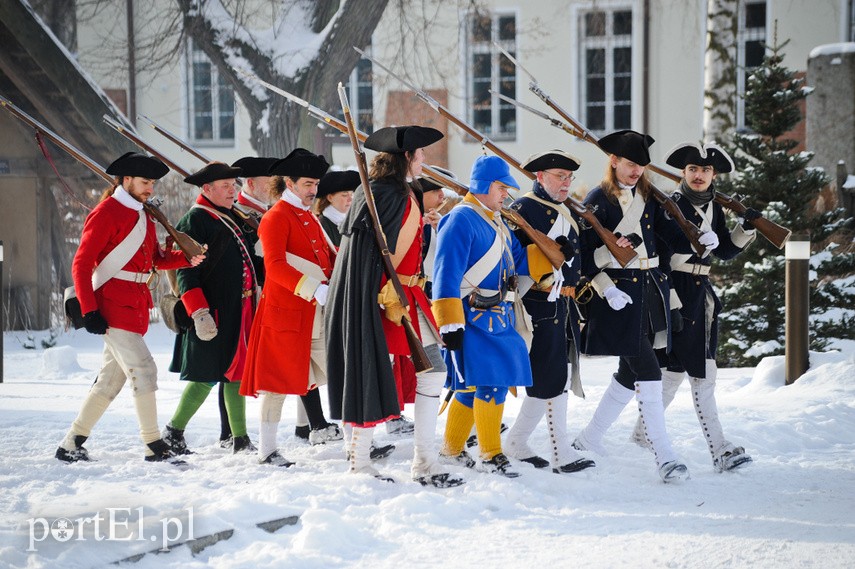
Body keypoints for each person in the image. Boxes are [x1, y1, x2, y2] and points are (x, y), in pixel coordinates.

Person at [571, 130, 720, 483]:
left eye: (641, 166)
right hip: (618, 299)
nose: (636, 171)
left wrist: (700, 238)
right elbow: (585, 260)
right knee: (650, 372)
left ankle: (587, 438)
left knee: (629, 373)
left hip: (652, 293)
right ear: (613, 161)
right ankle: (665, 456)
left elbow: (667, 239)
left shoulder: (649, 197)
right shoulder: (597, 200)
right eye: (630, 164)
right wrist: (607, 290)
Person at [325, 125, 461, 487]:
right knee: (370, 371)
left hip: (404, 297)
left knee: (432, 373)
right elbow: (378, 256)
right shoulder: (388, 196)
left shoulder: (391, 193)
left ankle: (424, 462)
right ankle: (361, 462)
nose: (424, 161)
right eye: (420, 155)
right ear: (406, 158)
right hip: (386, 300)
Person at [56, 152, 205, 464]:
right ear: (125, 180)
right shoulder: (107, 212)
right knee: (144, 369)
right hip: (111, 306)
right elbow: (81, 264)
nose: (150, 188)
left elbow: (156, 260)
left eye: (151, 182)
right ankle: (153, 443)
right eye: (144, 181)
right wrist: (90, 309)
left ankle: (72, 443)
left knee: (111, 380)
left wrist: (187, 258)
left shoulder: (144, 215)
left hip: (134, 304)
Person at [628, 142, 758, 473]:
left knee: (675, 371)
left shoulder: (715, 207)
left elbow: (726, 251)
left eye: (706, 170)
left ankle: (643, 435)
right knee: (703, 373)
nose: (699, 175)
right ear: (683, 173)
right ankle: (720, 450)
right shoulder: (669, 205)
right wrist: (670, 295)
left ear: (714, 175)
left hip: (703, 294)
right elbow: (662, 252)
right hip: (677, 290)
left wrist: (748, 226)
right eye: (693, 170)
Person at [432, 155, 553, 478]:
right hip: (469, 317)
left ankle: (451, 450)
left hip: (497, 316)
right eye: (502, 188)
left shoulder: (495, 220)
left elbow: (515, 259)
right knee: (488, 385)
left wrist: (553, 252)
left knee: (473, 387)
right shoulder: (460, 219)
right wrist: (450, 322)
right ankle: (490, 454)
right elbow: (446, 273)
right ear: (485, 186)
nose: (506, 195)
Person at [241, 148, 343, 466]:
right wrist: (316, 289)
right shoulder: (275, 218)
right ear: (290, 182)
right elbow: (275, 267)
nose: (314, 191)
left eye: (316, 184)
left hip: (313, 316)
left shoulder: (308, 216)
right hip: (284, 314)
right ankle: (267, 451)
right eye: (308, 184)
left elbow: (324, 258)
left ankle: (358, 442)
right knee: (275, 387)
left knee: (344, 372)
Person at [503, 150, 596, 474]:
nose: (566, 182)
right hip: (539, 304)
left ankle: (516, 441)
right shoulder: (523, 209)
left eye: (569, 177)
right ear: (540, 177)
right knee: (551, 376)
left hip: (563, 303)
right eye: (559, 176)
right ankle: (560, 454)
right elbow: (510, 258)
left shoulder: (565, 210)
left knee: (553, 375)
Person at [163, 162, 262, 455]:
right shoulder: (195, 221)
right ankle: (173, 431)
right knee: (205, 376)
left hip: (239, 308)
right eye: (226, 186)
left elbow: (248, 262)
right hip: (211, 311)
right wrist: (199, 312)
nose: (234, 191)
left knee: (236, 373)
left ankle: (240, 437)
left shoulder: (230, 217)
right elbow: (185, 272)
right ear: (207, 189)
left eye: (234, 185)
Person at [210, 156, 275, 449]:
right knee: (229, 365)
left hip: (257, 293)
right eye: (269, 182)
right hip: (233, 298)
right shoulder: (236, 213)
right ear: (251, 184)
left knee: (241, 366)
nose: (275, 187)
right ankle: (229, 431)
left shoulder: (257, 212)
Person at [315, 169, 359, 247]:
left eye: (351, 194)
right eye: (345, 195)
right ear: (330, 197)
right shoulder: (321, 225)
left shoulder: (355, 221)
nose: (350, 199)